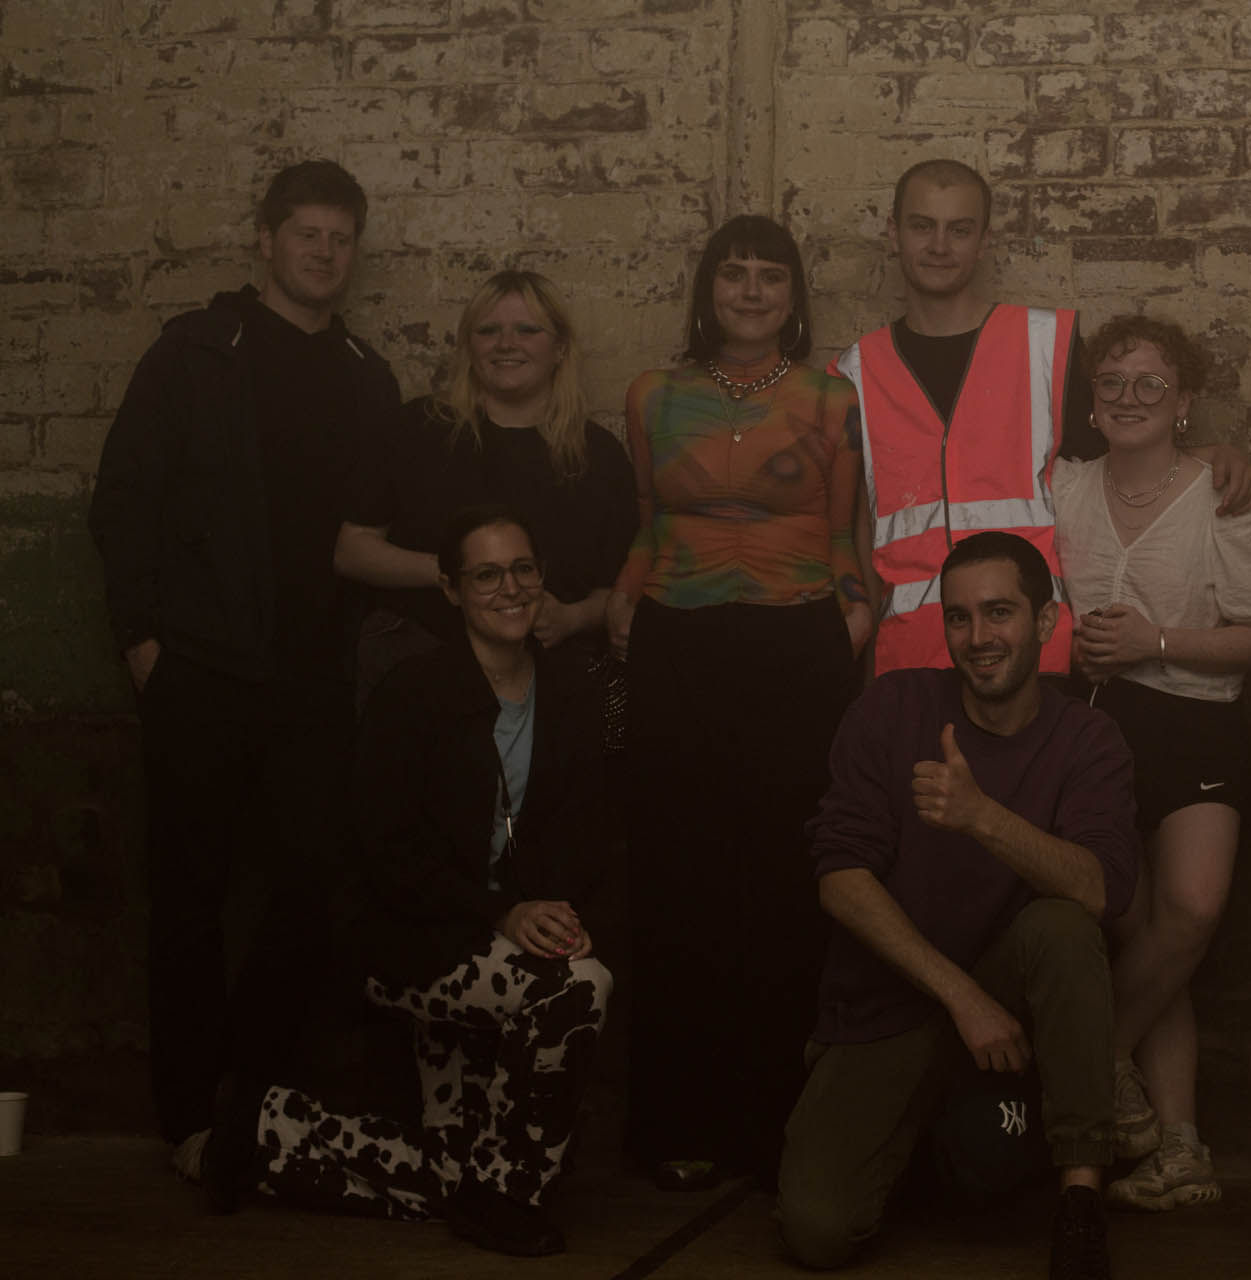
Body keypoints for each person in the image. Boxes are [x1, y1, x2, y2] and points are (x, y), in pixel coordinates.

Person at [87, 160, 401, 1176]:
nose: (323, 250)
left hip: (313, 685)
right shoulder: (193, 351)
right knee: (188, 898)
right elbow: (124, 498)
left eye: (340, 236)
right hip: (202, 672)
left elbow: (375, 532)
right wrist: (144, 644)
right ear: (265, 241)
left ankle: (254, 1099)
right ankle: (186, 1112)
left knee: (309, 891)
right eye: (305, 231)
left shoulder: (365, 372)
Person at [201, 507, 614, 1259]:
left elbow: (591, 831)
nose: (510, 588)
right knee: (578, 990)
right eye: (486, 574)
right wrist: (503, 912)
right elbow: (385, 853)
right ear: (452, 589)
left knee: (456, 1177)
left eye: (523, 569)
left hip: (498, 938)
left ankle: (265, 1133)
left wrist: (561, 915)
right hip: (409, 940)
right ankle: (511, 1199)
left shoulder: (576, 692)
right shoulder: (413, 693)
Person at [777, 531, 1140, 1280]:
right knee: (818, 1231)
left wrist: (981, 817)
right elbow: (839, 876)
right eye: (960, 617)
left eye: (1000, 613)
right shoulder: (893, 707)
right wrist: (961, 996)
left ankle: (1080, 1201)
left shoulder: (1088, 737)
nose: (979, 637)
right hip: (896, 1002)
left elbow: (1101, 889)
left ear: (1045, 623)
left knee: (1065, 927)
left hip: (1018, 996)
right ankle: (919, 1150)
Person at [604, 215, 868, 1188]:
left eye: (770, 277)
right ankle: (678, 1122)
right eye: (734, 274)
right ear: (707, 289)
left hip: (796, 641)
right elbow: (646, 520)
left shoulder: (828, 398)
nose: (751, 291)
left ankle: (777, 1124)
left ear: (795, 299)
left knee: (786, 877)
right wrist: (628, 598)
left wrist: (850, 619)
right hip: (678, 638)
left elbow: (844, 538)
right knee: (678, 876)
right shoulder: (653, 396)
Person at [832, 158, 1251, 676]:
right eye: (923, 226)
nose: (940, 246)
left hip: (1035, 659)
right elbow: (853, 525)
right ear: (894, 233)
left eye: (959, 229)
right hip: (907, 660)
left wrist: (1208, 456)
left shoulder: (1046, 345)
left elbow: (1120, 456)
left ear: (984, 241)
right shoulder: (854, 371)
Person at [1052, 316, 1251, 1211]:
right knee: (1142, 933)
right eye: (1111, 383)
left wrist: (1153, 640)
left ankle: (1092, 1062)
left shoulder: (1222, 495)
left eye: (1150, 383)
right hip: (1094, 726)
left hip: (1197, 722)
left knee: (1191, 909)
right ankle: (1180, 1149)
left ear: (1184, 402)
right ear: (1091, 401)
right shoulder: (1062, 487)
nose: (1128, 398)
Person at [334, 270, 638, 715]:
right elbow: (351, 551)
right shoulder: (417, 429)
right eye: (488, 330)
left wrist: (571, 619)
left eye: (527, 330)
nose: (505, 343)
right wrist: (456, 574)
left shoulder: (599, 455)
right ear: (469, 346)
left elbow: (616, 592)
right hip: (418, 654)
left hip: (549, 670)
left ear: (560, 349)